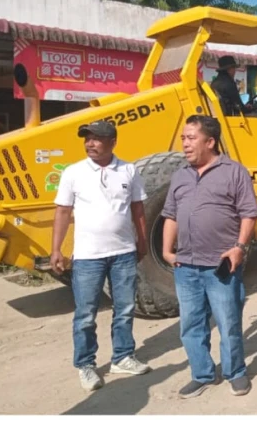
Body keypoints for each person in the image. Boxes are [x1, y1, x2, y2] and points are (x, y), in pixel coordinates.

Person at [162, 114, 257, 399]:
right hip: (185, 266)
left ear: (210, 142)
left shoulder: (234, 171)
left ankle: (236, 372)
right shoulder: (180, 175)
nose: (185, 144)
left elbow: (249, 213)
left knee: (228, 321)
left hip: (220, 265)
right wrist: (168, 251)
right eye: (183, 138)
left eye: (191, 138)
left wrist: (239, 248)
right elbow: (170, 215)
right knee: (191, 324)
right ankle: (202, 374)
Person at [51, 119, 150, 393]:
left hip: (123, 254)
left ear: (113, 142)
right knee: (85, 314)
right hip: (87, 257)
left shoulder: (128, 170)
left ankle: (122, 357)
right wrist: (56, 249)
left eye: (96, 139)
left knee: (126, 308)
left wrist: (142, 241)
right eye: (87, 139)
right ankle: (85, 365)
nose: (90, 144)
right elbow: (61, 211)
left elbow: (138, 209)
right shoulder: (73, 173)